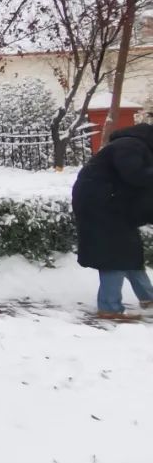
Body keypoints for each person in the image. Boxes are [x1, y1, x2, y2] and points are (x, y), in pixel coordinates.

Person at [72, 123, 153, 321]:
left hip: (112, 205)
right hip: (102, 207)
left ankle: (148, 297)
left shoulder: (134, 145)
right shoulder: (130, 145)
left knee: (130, 252)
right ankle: (110, 308)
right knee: (114, 256)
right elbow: (135, 175)